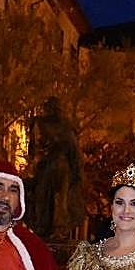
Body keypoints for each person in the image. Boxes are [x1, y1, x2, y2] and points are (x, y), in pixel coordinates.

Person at [28, 96, 85, 240]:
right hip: (56, 166)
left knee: (50, 198)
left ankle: (54, 228)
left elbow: (34, 149)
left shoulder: (42, 123)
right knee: (56, 199)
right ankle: (55, 228)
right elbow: (74, 151)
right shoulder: (64, 125)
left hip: (52, 166)